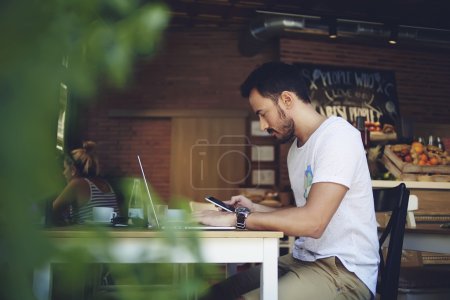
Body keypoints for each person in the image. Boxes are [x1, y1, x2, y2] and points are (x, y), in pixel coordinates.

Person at [193, 62, 379, 300]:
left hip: (342, 272)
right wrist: (255, 208)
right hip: (302, 259)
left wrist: (238, 218)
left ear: (287, 100)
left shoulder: (337, 137)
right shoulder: (296, 150)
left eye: (263, 113)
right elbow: (305, 213)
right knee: (215, 294)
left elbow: (313, 222)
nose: (263, 125)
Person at [53, 140, 119, 224]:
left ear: (73, 170)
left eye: (65, 168)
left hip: (88, 235)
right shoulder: (106, 183)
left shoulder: (77, 184)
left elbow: (51, 211)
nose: (63, 173)